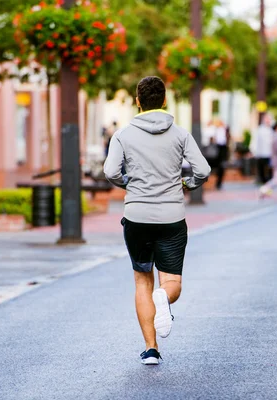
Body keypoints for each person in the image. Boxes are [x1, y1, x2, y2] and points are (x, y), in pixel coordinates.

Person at [103, 76, 211, 365]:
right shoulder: (180, 134)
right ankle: (164, 296)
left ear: (138, 101)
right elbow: (203, 169)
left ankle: (151, 349)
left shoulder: (123, 135)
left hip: (136, 216)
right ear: (164, 100)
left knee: (141, 281)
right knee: (172, 281)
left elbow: (111, 171)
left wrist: (130, 183)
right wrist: (186, 185)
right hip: (171, 216)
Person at [252, 115, 273, 184]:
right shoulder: (260, 129)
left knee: (269, 168)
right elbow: (255, 140)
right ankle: (262, 181)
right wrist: (254, 151)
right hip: (261, 152)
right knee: (261, 168)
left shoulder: (271, 129)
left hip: (270, 153)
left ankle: (269, 180)